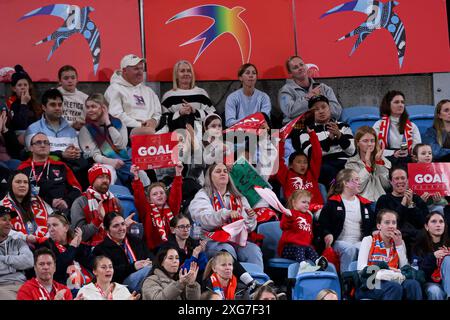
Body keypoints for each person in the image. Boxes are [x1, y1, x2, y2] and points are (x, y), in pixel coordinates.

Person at [188, 163, 263, 269]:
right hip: (211, 241)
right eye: (218, 171)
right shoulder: (202, 195)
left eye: (225, 171)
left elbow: (248, 228)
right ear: (209, 177)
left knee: (253, 250)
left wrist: (250, 218)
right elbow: (204, 220)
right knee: (227, 250)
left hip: (236, 240)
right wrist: (225, 214)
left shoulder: (239, 198)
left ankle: (259, 282)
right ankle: (237, 283)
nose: (222, 173)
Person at [79, 93, 149, 188]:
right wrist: (110, 161)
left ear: (104, 108)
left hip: (124, 159)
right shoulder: (86, 129)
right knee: (109, 172)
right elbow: (93, 154)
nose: (90, 110)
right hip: (103, 163)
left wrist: (108, 123)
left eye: (93, 107)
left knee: (142, 175)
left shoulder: (118, 123)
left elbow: (121, 146)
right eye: (88, 107)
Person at [24, 89, 89, 187]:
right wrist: (62, 154)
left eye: (60, 104)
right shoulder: (33, 129)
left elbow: (77, 153)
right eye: (53, 105)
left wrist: (73, 153)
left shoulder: (70, 130)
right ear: (44, 107)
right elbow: (32, 154)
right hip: (44, 173)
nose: (58, 108)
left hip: (69, 171)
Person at [355, 209, 423, 300]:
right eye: (387, 222)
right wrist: (389, 271)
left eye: (393, 223)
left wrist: (399, 246)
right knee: (394, 287)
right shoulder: (368, 240)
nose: (391, 226)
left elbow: (404, 268)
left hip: (394, 279)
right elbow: (361, 269)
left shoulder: (399, 242)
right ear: (379, 226)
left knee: (413, 284)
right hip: (370, 282)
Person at [318, 168, 376, 272]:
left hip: (359, 242)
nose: (359, 182)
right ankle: (346, 282)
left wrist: (375, 231)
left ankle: (367, 282)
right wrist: (327, 234)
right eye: (356, 180)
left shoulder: (365, 204)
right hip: (339, 242)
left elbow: (373, 225)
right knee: (350, 249)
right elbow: (323, 225)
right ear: (346, 183)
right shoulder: (332, 203)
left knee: (368, 248)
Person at [18, 132, 81, 217]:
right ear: (31, 148)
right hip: (33, 211)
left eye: (46, 142)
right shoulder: (23, 168)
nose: (43, 145)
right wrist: (49, 201)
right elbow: (18, 192)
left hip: (62, 211)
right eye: (38, 142)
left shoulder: (61, 166)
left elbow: (77, 188)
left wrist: (66, 201)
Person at [298, 95, 355, 189]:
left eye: (324, 107)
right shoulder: (306, 131)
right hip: (324, 165)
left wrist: (339, 135)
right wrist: (329, 140)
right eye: (316, 109)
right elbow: (311, 153)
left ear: (329, 108)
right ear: (311, 113)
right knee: (330, 172)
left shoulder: (343, 126)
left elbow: (351, 150)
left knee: (356, 169)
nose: (321, 111)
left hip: (345, 163)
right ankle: (336, 192)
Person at [93, 212, 153, 293]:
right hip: (121, 284)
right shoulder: (101, 249)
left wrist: (149, 261)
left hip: (145, 278)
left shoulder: (135, 240)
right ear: (107, 229)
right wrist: (133, 267)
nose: (121, 228)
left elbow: (150, 256)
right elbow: (108, 273)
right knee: (150, 270)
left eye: (123, 224)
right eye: (116, 226)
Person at [375, 167, 429, 254]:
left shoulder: (417, 199)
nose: (400, 181)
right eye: (396, 178)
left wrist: (411, 204)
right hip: (393, 237)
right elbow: (390, 223)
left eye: (403, 178)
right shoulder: (384, 199)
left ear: (407, 180)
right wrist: (403, 205)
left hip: (416, 238)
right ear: (391, 182)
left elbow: (424, 222)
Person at [105, 54, 162, 134]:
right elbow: (115, 115)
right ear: (124, 71)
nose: (140, 72)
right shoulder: (114, 89)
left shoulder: (149, 91)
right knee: (148, 132)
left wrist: (154, 121)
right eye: (136, 69)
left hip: (151, 129)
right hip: (126, 131)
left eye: (141, 68)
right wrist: (139, 125)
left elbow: (158, 113)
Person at [131, 163, 183, 251]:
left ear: (166, 196)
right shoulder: (146, 210)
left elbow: (176, 194)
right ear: (149, 199)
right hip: (152, 250)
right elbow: (139, 197)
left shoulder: (172, 208)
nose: (159, 195)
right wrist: (136, 177)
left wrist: (178, 174)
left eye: (162, 193)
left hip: (171, 248)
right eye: (155, 194)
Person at [71, 164, 125, 246]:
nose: (105, 180)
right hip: (91, 250)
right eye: (101, 177)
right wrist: (98, 220)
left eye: (107, 177)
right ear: (92, 180)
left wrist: (125, 225)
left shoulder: (116, 201)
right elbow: (78, 236)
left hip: (116, 246)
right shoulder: (80, 202)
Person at [279, 55, 342, 126]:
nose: (300, 68)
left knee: (345, 131)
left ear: (306, 67)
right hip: (298, 126)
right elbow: (289, 112)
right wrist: (308, 98)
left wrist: (322, 104)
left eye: (301, 65)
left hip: (324, 125)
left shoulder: (324, 88)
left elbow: (337, 111)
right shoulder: (285, 91)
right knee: (273, 134)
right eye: (295, 67)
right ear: (290, 73)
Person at [272, 125, 323, 209]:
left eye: (305, 162)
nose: (303, 165)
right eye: (299, 162)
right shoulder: (286, 176)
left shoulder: (312, 173)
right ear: (291, 165)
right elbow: (278, 160)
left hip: (317, 209)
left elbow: (317, 155)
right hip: (297, 212)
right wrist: (281, 142)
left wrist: (312, 134)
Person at [39, 213, 93, 290]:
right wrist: (73, 247)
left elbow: (91, 264)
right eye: (48, 226)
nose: (51, 229)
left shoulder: (76, 244)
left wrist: (78, 246)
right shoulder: (45, 246)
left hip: (88, 286)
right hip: (64, 290)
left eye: (55, 225)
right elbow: (57, 269)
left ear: (66, 228)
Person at [161, 60, 215, 132]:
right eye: (182, 71)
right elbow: (163, 120)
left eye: (189, 71)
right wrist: (179, 113)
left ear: (192, 74)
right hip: (177, 134)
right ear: (176, 75)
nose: (186, 73)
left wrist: (195, 111)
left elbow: (213, 115)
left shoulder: (201, 93)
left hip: (199, 133)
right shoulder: (168, 96)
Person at [1, 171, 53, 245]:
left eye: (25, 182)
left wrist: (45, 238)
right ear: (10, 185)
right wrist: (25, 237)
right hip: (15, 246)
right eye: (18, 182)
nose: (22, 185)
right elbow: (3, 229)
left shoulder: (40, 202)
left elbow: (53, 220)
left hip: (45, 244)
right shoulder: (2, 205)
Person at [373, 90, 421, 166]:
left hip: (407, 159)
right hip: (386, 159)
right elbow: (375, 148)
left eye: (402, 102)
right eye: (396, 102)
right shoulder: (378, 125)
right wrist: (393, 153)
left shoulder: (412, 126)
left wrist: (409, 153)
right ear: (388, 105)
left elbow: (417, 148)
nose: (400, 105)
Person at [279, 190, 325, 267]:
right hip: (288, 248)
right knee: (300, 248)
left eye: (308, 203)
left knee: (310, 248)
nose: (307, 205)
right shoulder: (289, 213)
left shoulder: (308, 216)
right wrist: (288, 217)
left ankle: (318, 262)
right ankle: (303, 265)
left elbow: (309, 233)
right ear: (294, 203)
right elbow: (283, 226)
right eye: (303, 202)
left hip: (304, 247)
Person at [345, 126, 391, 203]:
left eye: (372, 141)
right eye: (365, 141)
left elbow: (387, 186)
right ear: (357, 143)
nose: (370, 144)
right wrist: (367, 167)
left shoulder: (383, 160)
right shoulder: (350, 163)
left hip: (381, 201)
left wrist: (379, 163)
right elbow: (356, 188)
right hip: (361, 202)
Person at [412, 211, 450, 300]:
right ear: (426, 226)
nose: (438, 224)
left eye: (441, 221)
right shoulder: (418, 246)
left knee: (448, 259)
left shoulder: (448, 244)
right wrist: (433, 257)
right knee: (435, 291)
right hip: (430, 282)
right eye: (434, 221)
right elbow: (418, 272)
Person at [0, 206, 34, 300]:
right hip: (2, 287)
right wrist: (17, 266)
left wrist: (3, 259)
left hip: (24, 285)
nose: (9, 223)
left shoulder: (18, 242)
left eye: (10, 220)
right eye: (4, 219)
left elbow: (29, 261)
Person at [225, 63, 271, 128]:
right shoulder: (232, 97)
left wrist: (248, 122)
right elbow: (229, 122)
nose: (251, 75)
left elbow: (265, 120)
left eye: (254, 73)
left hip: (258, 131)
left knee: (275, 134)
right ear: (240, 78)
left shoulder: (264, 97)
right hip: (239, 132)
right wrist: (249, 122)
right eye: (247, 73)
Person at [76, 255, 140, 300]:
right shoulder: (85, 291)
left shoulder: (122, 289)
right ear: (94, 271)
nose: (108, 270)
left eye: (110, 267)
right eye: (103, 267)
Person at [6, 65, 42, 144]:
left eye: (25, 85)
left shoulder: (35, 104)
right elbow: (20, 125)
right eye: (19, 85)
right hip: (19, 139)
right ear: (14, 89)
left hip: (36, 137)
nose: (23, 87)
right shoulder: (12, 104)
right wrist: (23, 104)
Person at [411, 143, 447, 213]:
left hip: (435, 205)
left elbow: (444, 197)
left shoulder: (438, 170)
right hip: (417, 206)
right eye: (423, 153)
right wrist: (419, 201)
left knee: (440, 208)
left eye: (430, 153)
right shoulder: (410, 171)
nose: (427, 155)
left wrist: (438, 200)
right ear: (415, 157)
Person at [57, 65, 88, 130]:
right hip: (60, 130)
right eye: (66, 78)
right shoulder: (53, 95)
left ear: (77, 80)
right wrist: (71, 124)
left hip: (80, 131)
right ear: (60, 81)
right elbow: (50, 118)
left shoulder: (85, 98)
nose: (70, 81)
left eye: (73, 78)